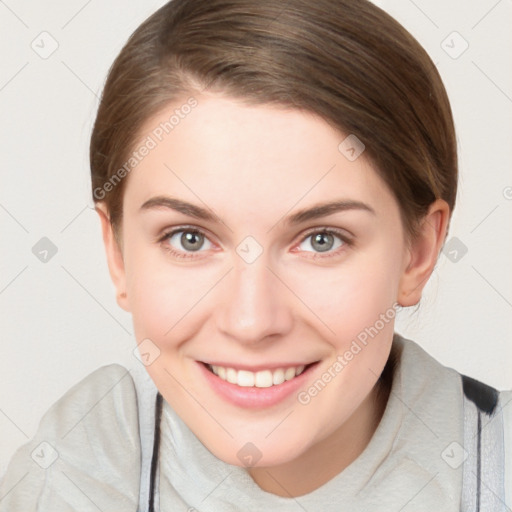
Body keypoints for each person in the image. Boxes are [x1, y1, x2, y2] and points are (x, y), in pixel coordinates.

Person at [0, 0, 510, 510]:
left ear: (417, 252)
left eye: (321, 240)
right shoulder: (73, 472)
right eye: (189, 238)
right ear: (117, 253)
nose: (251, 321)